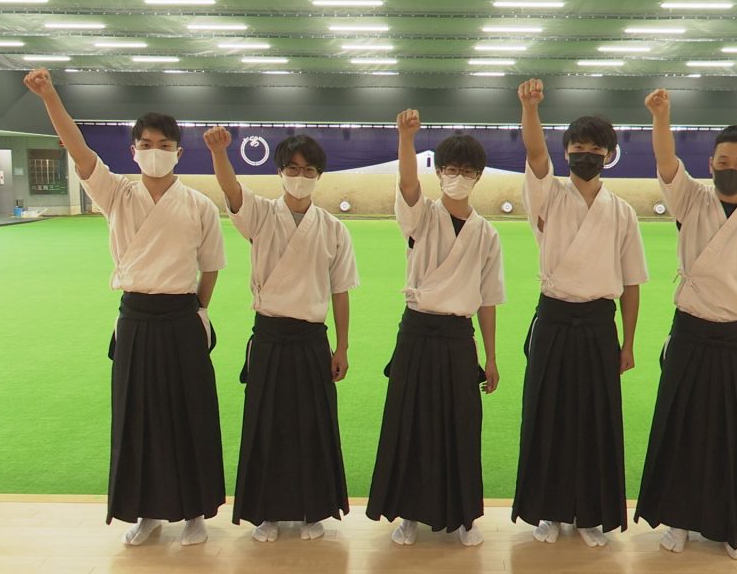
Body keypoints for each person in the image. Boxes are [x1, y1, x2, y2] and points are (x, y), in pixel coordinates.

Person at [23, 68, 226, 546]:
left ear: (178, 152)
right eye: (145, 143)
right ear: (133, 150)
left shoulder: (199, 205)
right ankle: (145, 512)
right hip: (135, 317)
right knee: (138, 417)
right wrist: (49, 95)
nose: (154, 151)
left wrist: (197, 312)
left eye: (164, 144)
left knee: (190, 414)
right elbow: (78, 148)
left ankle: (195, 514)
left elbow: (211, 267)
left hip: (182, 317)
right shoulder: (115, 192)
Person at [635, 89, 737, 560]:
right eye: (723, 160)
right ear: (710, 164)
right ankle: (678, 520)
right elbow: (666, 161)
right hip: (689, 333)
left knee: (734, 436)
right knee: (681, 428)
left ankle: (731, 525)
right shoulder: (691, 201)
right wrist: (661, 116)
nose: (731, 167)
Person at [511, 78, 648, 547]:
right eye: (577, 148)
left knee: (595, 420)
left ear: (608, 155)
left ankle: (590, 515)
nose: (585, 155)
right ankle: (547, 512)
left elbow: (631, 283)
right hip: (553, 320)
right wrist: (530, 108)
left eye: (594, 149)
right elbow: (534, 153)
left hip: (597, 325)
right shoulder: (547, 195)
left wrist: (628, 342)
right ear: (566, 152)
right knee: (547, 416)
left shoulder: (623, 212)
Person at [204, 126, 358, 542]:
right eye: (292, 168)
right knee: (266, 425)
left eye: (308, 170)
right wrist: (219, 153)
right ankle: (266, 513)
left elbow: (340, 292)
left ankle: (313, 512)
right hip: (270, 337)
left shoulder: (333, 229)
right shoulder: (260, 214)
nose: (300, 176)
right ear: (279, 172)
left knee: (313, 426)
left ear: (319, 176)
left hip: (312, 340)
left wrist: (342, 346)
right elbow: (231, 189)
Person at [366, 109, 506, 547]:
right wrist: (406, 138)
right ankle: (409, 514)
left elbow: (487, 300)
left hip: (458, 338)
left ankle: (464, 517)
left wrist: (491, 357)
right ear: (439, 172)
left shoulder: (487, 234)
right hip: (417, 332)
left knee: (461, 425)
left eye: (466, 171)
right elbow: (408, 183)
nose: (457, 177)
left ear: (478, 176)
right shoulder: (420, 216)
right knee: (410, 422)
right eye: (450, 169)